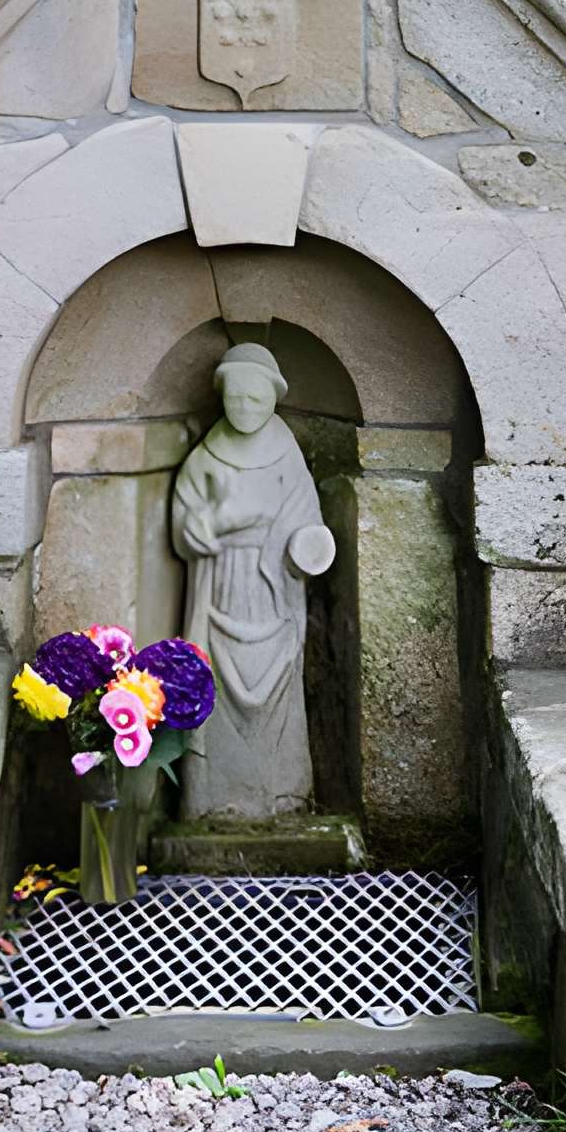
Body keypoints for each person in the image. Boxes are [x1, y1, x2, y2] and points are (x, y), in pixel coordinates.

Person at [170, 341, 334, 818]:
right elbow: (184, 523)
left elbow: (308, 522)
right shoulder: (206, 457)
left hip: (273, 592)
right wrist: (209, 524)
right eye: (235, 398)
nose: (244, 408)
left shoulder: (287, 456)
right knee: (215, 688)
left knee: (280, 690)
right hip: (220, 583)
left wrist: (304, 544)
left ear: (273, 399)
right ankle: (214, 799)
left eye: (255, 399)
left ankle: (284, 793)